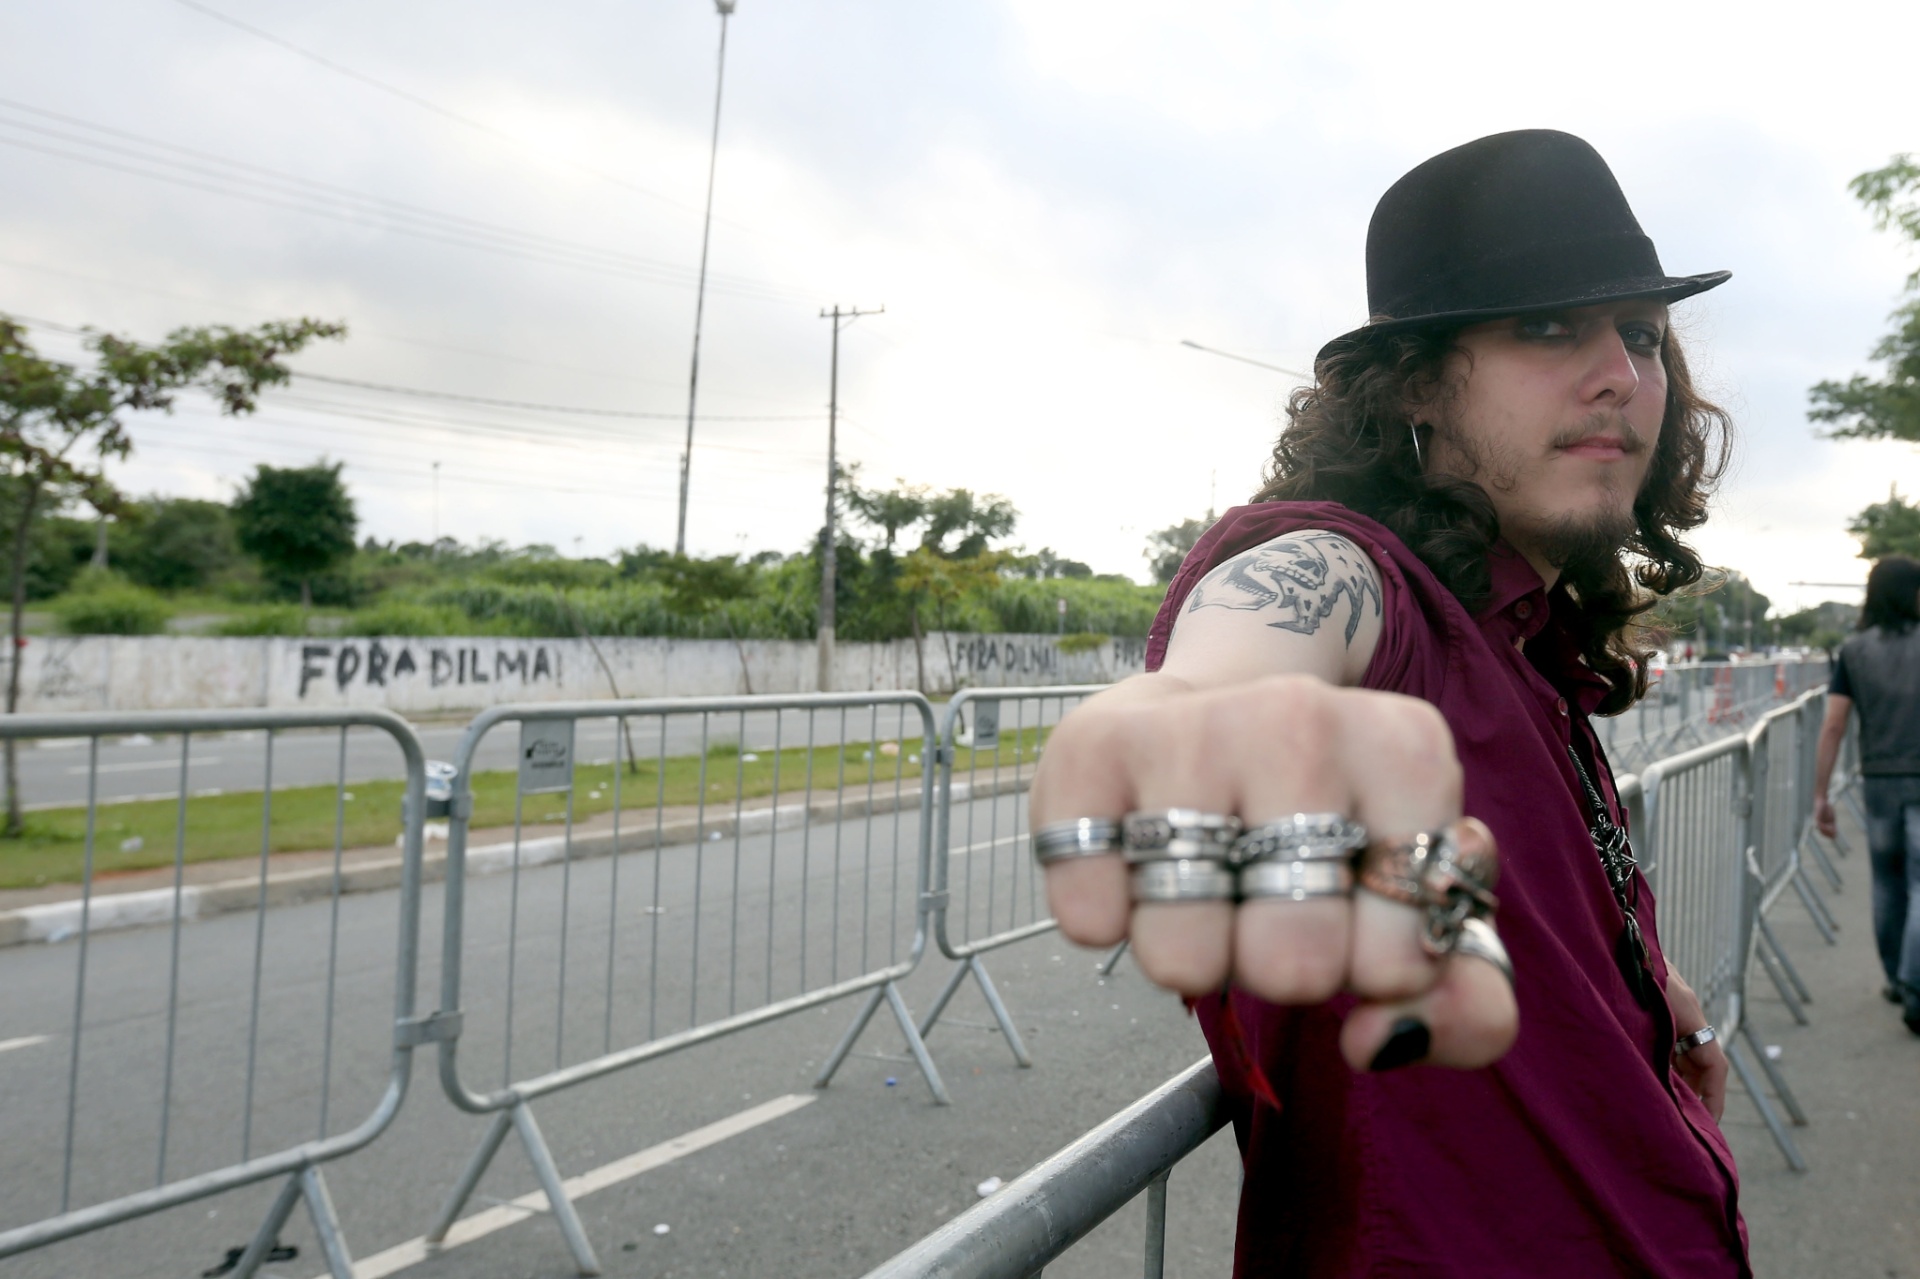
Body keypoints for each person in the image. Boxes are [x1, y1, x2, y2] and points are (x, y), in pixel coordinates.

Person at [1029, 130, 1749, 1276]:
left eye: (1643, 334)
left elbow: (1501, 900)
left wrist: (1665, 1004)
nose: (1621, 371)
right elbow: (1247, 653)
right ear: (1413, 380)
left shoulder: (1525, 638)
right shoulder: (1360, 582)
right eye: (1547, 327)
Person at [1814, 554, 1920, 1034]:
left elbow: (1834, 725)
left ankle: (1896, 977)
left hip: (1878, 782)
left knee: (1887, 883)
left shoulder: (1854, 651)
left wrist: (1821, 794)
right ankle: (1915, 984)